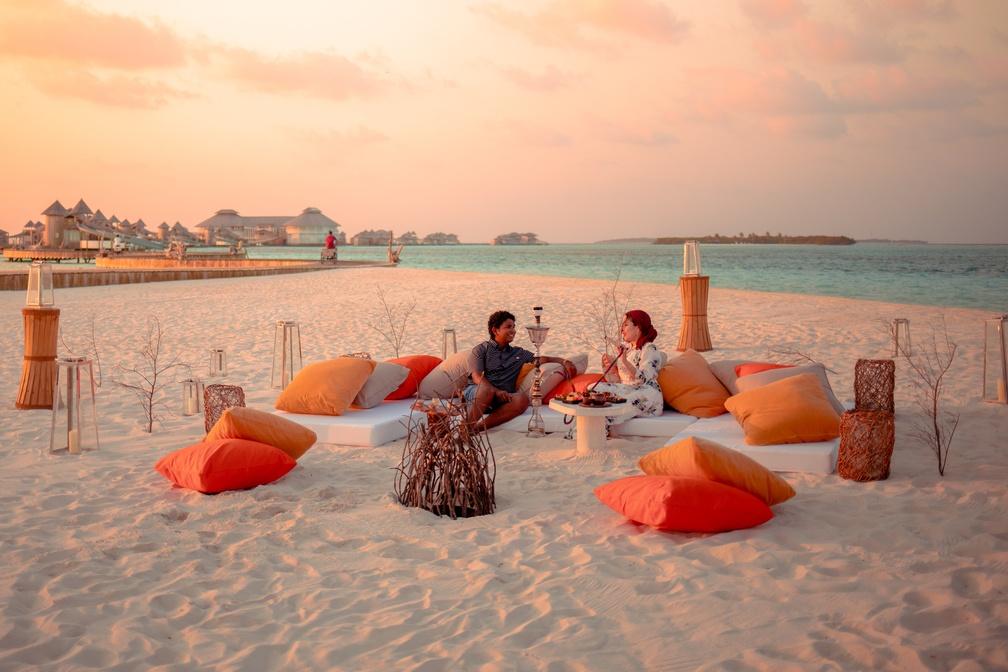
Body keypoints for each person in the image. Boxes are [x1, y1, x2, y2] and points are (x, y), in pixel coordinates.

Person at [464, 310, 578, 431]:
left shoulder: (518, 353)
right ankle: (465, 428)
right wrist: (496, 392)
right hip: (478, 395)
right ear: (495, 330)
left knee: (522, 399)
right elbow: (476, 377)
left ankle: (477, 429)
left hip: (503, 398)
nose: (513, 330)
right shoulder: (481, 350)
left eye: (514, 327)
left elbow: (540, 359)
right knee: (486, 389)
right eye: (508, 327)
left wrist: (564, 361)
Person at [594, 310, 664, 432]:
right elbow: (617, 382)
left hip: (645, 394)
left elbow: (645, 378)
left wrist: (624, 362)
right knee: (594, 388)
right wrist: (611, 367)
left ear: (638, 328)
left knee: (632, 398)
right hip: (626, 390)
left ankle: (599, 427)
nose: (622, 329)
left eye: (626, 325)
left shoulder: (649, 348)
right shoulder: (628, 350)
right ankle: (595, 425)